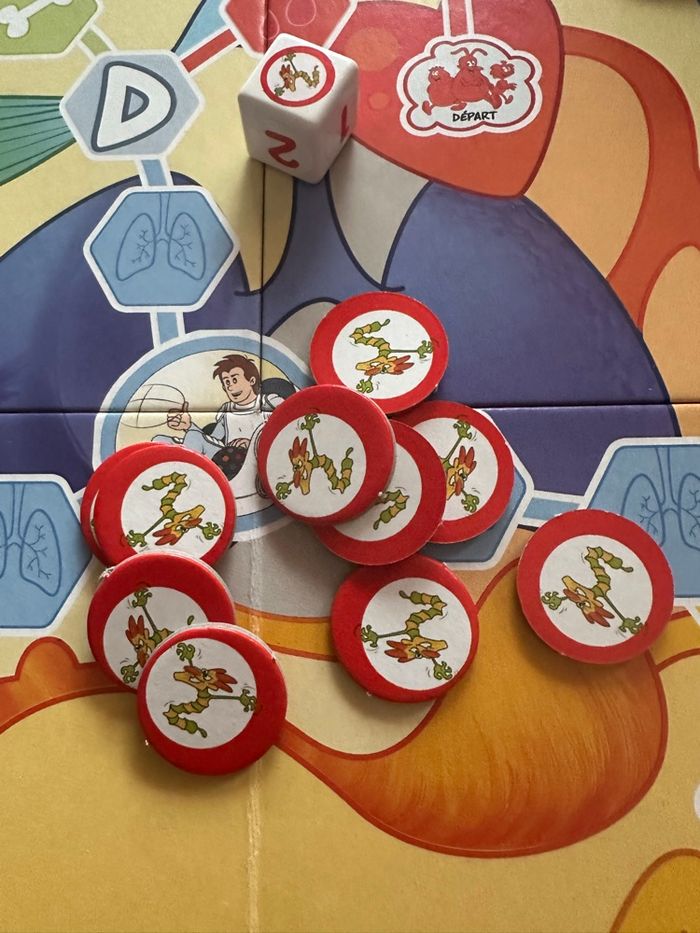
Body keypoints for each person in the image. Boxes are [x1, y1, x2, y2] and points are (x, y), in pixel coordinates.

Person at [154, 354, 287, 481]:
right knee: (160, 440)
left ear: (251, 380)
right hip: (226, 458)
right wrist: (188, 426)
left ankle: (186, 478)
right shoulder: (227, 410)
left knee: (193, 437)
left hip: (251, 462)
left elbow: (286, 431)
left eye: (235, 380)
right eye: (227, 382)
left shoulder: (270, 402)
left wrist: (253, 443)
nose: (231, 387)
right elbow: (212, 440)